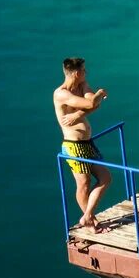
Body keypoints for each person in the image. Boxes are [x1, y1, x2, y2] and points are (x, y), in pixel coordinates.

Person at [53, 57, 111, 232]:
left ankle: (87, 216)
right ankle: (91, 221)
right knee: (83, 183)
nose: (86, 73)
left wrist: (77, 115)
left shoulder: (82, 85)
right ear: (77, 73)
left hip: (87, 143)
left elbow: (94, 105)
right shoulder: (61, 93)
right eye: (84, 70)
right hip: (73, 145)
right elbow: (93, 102)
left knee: (105, 178)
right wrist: (100, 94)